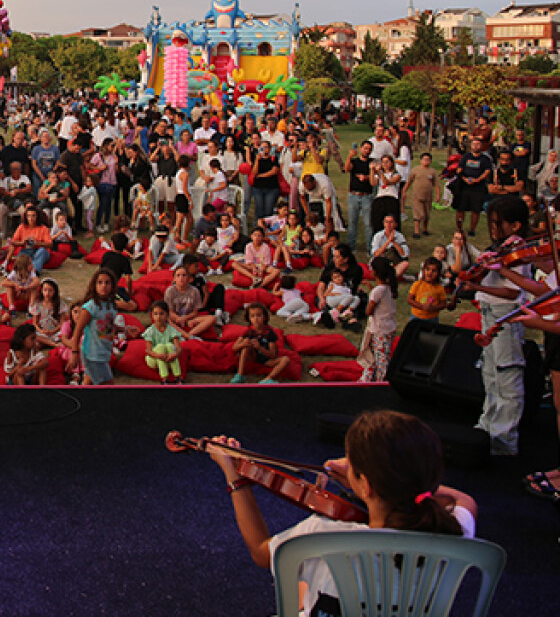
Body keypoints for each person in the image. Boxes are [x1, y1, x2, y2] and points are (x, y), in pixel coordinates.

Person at [208, 409, 478, 617]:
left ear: (366, 484)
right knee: (308, 580)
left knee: (302, 579)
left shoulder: (322, 535)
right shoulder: (452, 529)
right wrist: (380, 479)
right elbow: (463, 499)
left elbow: (260, 551)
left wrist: (235, 477)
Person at [457, 195, 530, 456]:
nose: (494, 229)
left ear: (516, 225)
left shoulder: (517, 251)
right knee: (490, 373)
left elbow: (513, 293)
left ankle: (504, 438)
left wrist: (477, 286)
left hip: (505, 315)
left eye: (499, 224)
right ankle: (487, 426)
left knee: (506, 373)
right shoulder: (502, 247)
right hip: (489, 312)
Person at [360, 258, 399, 382]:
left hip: (379, 329)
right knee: (382, 355)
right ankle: (372, 378)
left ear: (375, 272)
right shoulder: (388, 288)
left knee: (380, 358)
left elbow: (369, 311)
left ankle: (381, 382)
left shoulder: (378, 291)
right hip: (388, 327)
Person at [230, 303, 289, 384]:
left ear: (264, 317)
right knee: (245, 347)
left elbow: (273, 355)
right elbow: (234, 348)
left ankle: (267, 379)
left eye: (259, 315)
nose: (256, 319)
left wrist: (259, 347)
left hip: (267, 359)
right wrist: (243, 344)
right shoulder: (248, 331)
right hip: (253, 356)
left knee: (285, 359)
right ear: (249, 318)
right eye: (253, 316)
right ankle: (240, 375)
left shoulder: (269, 333)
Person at [143, 300, 185, 384]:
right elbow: (149, 351)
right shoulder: (150, 331)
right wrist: (159, 355)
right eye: (155, 314)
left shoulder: (172, 330)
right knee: (160, 347)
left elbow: (178, 348)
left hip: (169, 358)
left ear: (167, 315)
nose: (158, 317)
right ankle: (164, 378)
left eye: (161, 314)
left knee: (169, 345)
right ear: (152, 315)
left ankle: (178, 377)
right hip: (154, 358)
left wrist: (174, 354)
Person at [408, 257, 449, 323]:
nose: (430, 273)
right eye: (428, 269)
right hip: (416, 316)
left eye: (434, 271)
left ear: (438, 273)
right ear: (423, 270)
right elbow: (410, 299)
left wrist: (433, 308)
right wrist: (421, 306)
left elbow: (443, 304)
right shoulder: (417, 284)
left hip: (432, 318)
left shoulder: (440, 288)